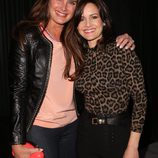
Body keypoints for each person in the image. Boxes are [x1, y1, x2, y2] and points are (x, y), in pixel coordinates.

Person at [9, 0, 135, 158]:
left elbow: (100, 42)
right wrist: (16, 141)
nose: (64, 7)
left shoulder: (77, 37)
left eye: (71, 2)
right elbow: (18, 90)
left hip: (74, 127)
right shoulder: (28, 36)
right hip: (40, 128)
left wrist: (122, 39)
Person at [61, 0, 147, 158]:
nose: (87, 24)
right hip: (86, 132)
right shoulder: (79, 54)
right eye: (81, 18)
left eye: (94, 17)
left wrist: (133, 146)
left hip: (117, 132)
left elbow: (140, 100)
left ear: (104, 21)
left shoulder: (122, 50)